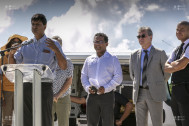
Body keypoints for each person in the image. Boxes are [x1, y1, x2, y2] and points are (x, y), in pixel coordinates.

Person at [8, 13, 67, 126]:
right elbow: (14, 66)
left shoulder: (53, 44)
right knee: (26, 120)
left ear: (44, 26)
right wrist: (11, 55)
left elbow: (63, 66)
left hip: (44, 86)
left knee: (44, 119)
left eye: (38, 24)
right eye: (33, 24)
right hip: (26, 85)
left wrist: (56, 50)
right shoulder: (25, 44)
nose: (34, 27)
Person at [129, 26, 170, 126]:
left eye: (143, 36)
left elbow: (167, 73)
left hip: (155, 93)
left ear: (151, 37)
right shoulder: (133, 55)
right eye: (138, 36)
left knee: (157, 123)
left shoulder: (160, 53)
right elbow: (132, 74)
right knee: (140, 124)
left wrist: (156, 84)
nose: (140, 38)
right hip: (139, 93)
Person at [81, 33, 123, 126]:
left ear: (107, 43)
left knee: (108, 123)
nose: (97, 44)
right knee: (91, 123)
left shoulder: (112, 58)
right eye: (95, 42)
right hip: (91, 96)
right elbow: (84, 76)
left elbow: (118, 77)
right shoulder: (89, 59)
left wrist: (106, 88)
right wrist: (88, 88)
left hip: (107, 96)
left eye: (100, 41)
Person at [164, 21, 189, 126]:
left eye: (182, 29)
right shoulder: (176, 49)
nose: (178, 32)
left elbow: (181, 64)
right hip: (175, 90)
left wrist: (175, 65)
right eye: (177, 30)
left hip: (186, 88)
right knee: (178, 122)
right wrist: (176, 65)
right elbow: (165, 67)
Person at [0, 34, 28, 126]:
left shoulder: (25, 57)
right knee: (7, 120)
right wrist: (1, 96)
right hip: (6, 93)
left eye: (18, 42)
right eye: (13, 42)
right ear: (9, 45)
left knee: (22, 120)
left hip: (21, 92)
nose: (15, 44)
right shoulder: (2, 59)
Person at [51, 36, 73, 126]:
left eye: (58, 44)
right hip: (48, 98)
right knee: (47, 122)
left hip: (63, 97)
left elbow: (69, 80)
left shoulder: (67, 61)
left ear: (61, 46)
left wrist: (57, 95)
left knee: (63, 123)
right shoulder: (46, 61)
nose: (56, 46)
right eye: (54, 44)